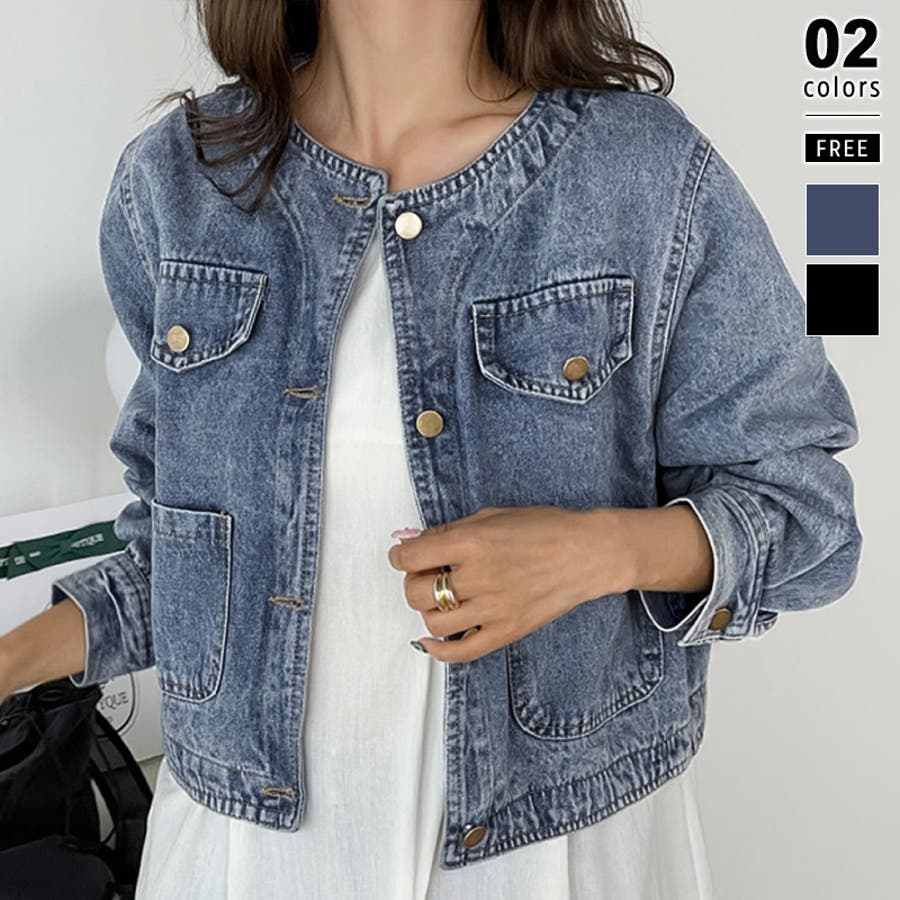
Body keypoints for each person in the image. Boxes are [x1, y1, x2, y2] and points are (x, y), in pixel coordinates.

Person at [0, 1, 861, 898]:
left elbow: (807, 516)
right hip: (245, 853)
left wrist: (594, 553)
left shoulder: (642, 173)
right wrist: (11, 662)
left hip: (551, 851)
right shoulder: (177, 182)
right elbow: (183, 566)